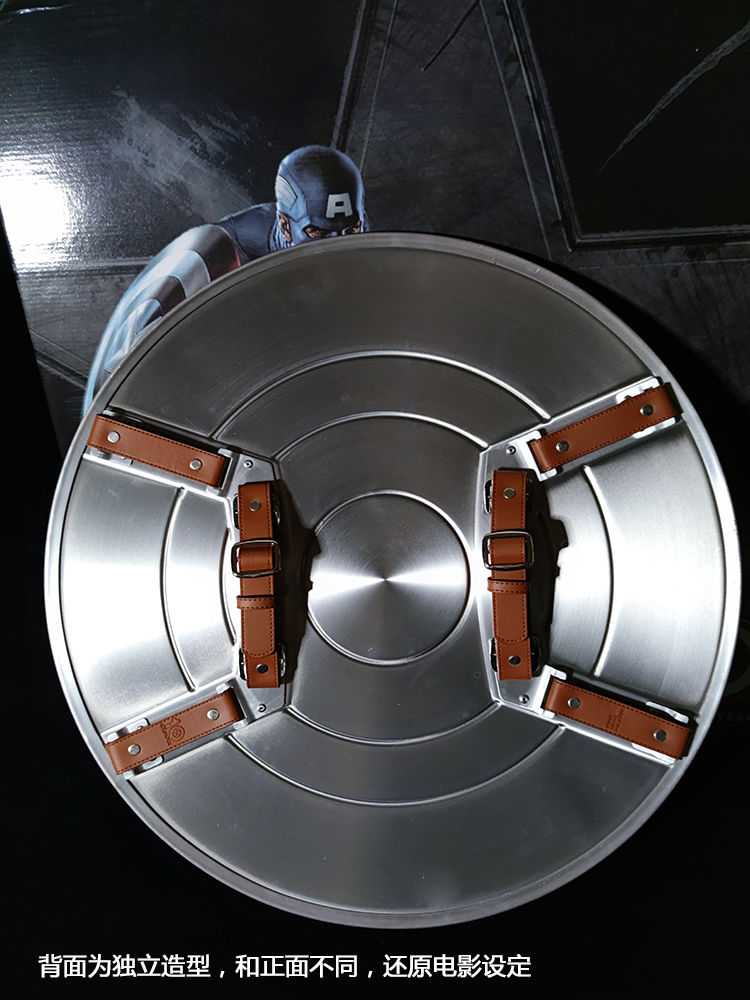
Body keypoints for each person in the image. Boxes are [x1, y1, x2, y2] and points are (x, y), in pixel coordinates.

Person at [83, 146, 368, 411]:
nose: (336, 247)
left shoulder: (360, 240)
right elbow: (124, 362)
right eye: (317, 233)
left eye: (350, 231)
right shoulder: (219, 251)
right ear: (284, 224)